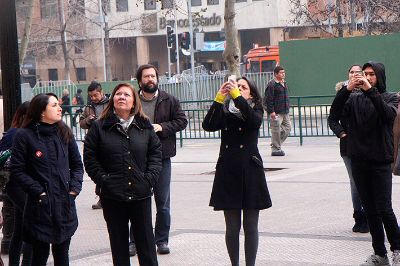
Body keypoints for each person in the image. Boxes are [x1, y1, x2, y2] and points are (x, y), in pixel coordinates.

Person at [83, 83, 162, 266]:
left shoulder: (145, 126)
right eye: (118, 94)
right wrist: (104, 180)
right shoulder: (100, 127)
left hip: (140, 193)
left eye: (127, 94)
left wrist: (148, 179)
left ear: (134, 101)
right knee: (118, 245)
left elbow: (155, 155)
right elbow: (90, 158)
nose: (121, 97)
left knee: (146, 244)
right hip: (112, 195)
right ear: (112, 99)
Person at [330, 61, 400, 266]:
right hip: (359, 160)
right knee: (369, 210)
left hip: (380, 161)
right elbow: (334, 115)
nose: (367, 78)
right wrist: (347, 89)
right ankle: (380, 254)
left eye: (371, 74)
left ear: (379, 76)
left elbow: (386, 115)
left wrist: (370, 90)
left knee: (384, 208)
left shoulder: (390, 98)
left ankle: (397, 249)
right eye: (364, 74)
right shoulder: (353, 99)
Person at [202, 76, 272, 266]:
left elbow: (254, 122)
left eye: (243, 87)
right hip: (228, 170)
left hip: (250, 170)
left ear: (251, 93)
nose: (238, 89)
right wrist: (218, 99)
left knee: (250, 226)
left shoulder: (255, 109)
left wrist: (237, 96)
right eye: (236, 86)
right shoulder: (225, 110)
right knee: (232, 227)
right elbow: (208, 125)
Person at [10, 93, 83, 265]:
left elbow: (77, 165)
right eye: (54, 105)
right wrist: (39, 192)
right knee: (39, 256)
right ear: (42, 111)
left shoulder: (64, 132)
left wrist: (74, 189)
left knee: (62, 256)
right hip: (39, 208)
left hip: (65, 205)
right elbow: (17, 170)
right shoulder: (24, 135)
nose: (60, 108)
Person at [130, 64, 187, 255]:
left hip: (161, 157)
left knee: (162, 202)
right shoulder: (131, 99)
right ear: (140, 81)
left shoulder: (169, 100)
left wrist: (161, 127)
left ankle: (161, 240)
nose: (150, 79)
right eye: (146, 76)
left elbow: (182, 121)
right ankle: (134, 240)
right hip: (136, 159)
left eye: (153, 76)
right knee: (137, 200)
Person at [328, 64, 369, 234]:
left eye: (358, 72)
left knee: (368, 181)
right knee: (355, 182)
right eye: (351, 72)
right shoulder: (342, 93)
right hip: (348, 146)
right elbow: (332, 119)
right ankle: (359, 216)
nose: (354, 75)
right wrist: (342, 134)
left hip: (367, 145)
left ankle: (371, 215)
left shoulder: (368, 91)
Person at [0, 102, 33, 266]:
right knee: (31, 228)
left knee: (19, 230)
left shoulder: (14, 133)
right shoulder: (17, 134)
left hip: (16, 186)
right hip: (18, 185)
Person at [79, 81, 109, 209]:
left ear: (101, 92)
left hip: (108, 141)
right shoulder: (88, 107)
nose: (93, 98)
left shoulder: (110, 104)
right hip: (94, 142)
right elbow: (81, 123)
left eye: (95, 95)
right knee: (97, 169)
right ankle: (101, 197)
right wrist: (88, 120)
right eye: (91, 96)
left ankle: (108, 197)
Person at [263, 66, 291, 156]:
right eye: (281, 72)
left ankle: (275, 144)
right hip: (276, 112)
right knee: (275, 130)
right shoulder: (271, 84)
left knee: (287, 128)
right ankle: (275, 149)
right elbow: (269, 99)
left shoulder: (284, 83)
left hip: (285, 110)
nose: (283, 74)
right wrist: (271, 112)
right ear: (276, 74)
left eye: (284, 72)